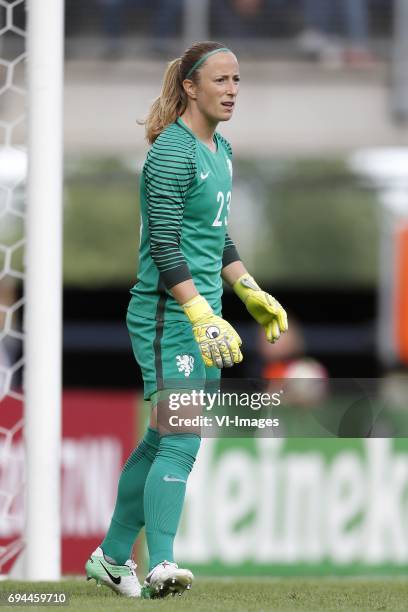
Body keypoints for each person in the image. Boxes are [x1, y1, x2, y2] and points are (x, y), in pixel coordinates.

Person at [85, 40, 288, 599]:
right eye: (221, 81)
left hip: (206, 318)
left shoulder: (221, 150)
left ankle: (110, 556)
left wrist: (247, 289)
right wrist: (197, 311)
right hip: (166, 315)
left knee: (159, 441)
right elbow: (167, 245)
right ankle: (162, 566)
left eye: (238, 81)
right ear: (190, 87)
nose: (232, 91)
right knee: (182, 439)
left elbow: (215, 236)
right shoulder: (170, 153)